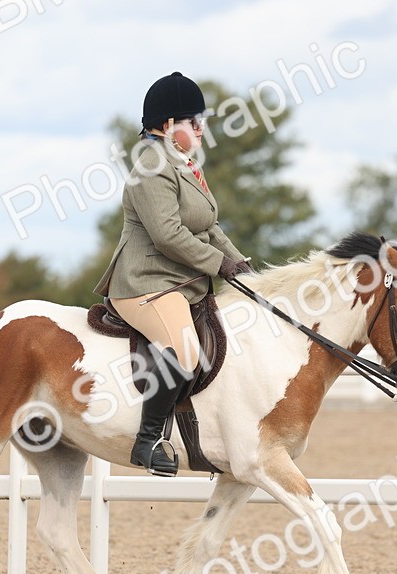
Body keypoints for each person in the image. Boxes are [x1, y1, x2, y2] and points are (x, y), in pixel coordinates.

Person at [94, 71, 252, 477]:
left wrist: (244, 267)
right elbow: (168, 235)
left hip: (178, 284)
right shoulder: (150, 165)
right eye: (192, 122)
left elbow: (210, 227)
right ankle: (147, 442)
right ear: (167, 126)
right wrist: (219, 265)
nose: (201, 129)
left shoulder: (182, 163)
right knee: (184, 349)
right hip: (145, 283)